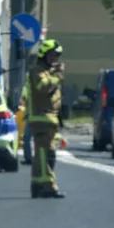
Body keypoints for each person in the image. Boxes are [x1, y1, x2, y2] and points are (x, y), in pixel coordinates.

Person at [28, 38, 66, 199]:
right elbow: (42, 88)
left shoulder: (49, 72)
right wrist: (57, 76)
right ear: (43, 55)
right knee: (46, 155)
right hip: (41, 119)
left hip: (50, 120)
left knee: (42, 155)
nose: (54, 59)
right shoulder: (37, 70)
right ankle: (49, 187)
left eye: (56, 56)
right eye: (51, 56)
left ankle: (37, 185)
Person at [19, 78, 33, 165]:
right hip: (45, 116)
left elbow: (23, 99)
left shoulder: (27, 86)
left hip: (32, 116)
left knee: (26, 138)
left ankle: (29, 158)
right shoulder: (44, 84)